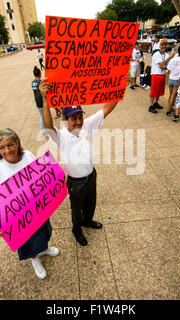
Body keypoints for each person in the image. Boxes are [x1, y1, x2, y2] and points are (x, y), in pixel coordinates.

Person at [39, 79, 124, 246]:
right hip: (75, 182)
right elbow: (48, 126)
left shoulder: (87, 126)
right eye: (73, 118)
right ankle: (77, 230)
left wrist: (121, 87)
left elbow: (107, 109)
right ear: (64, 118)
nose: (78, 121)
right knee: (76, 209)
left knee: (91, 203)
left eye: (80, 117)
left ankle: (88, 221)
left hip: (91, 176)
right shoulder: (61, 136)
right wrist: (44, 99)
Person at [0, 128, 59, 280]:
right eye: (2, 147)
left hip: (38, 206)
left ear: (17, 143)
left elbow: (40, 174)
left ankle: (44, 248)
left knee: (44, 230)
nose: (7, 150)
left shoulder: (27, 155)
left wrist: (57, 180)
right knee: (29, 239)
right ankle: (35, 259)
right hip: (19, 215)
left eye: (10, 145)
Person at [148, 38, 175, 114]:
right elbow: (162, 64)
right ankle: (150, 105)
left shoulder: (166, 55)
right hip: (156, 74)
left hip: (162, 74)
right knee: (154, 91)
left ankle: (156, 103)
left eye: (165, 45)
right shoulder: (156, 54)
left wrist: (164, 65)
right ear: (160, 46)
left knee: (160, 90)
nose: (164, 46)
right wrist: (168, 59)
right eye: (162, 45)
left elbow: (166, 65)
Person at [166, 44, 180, 116]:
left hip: (171, 78)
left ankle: (169, 107)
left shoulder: (173, 59)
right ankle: (169, 110)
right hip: (177, 80)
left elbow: (168, 70)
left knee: (171, 95)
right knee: (174, 95)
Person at [31, 66, 45, 138]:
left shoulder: (32, 82)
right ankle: (44, 131)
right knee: (44, 117)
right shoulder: (41, 82)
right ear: (40, 74)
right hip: (42, 102)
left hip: (37, 102)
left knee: (41, 116)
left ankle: (43, 130)